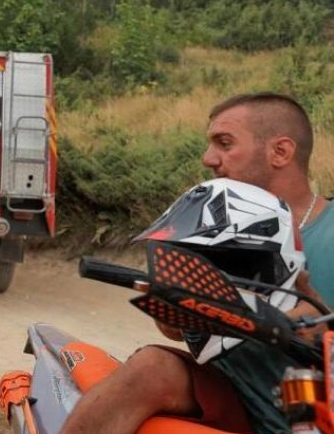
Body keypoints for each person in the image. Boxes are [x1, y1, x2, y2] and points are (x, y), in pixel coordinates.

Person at [62, 92, 334, 434]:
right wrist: (178, 303)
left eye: (224, 143)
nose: (208, 159)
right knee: (151, 367)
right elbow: (175, 331)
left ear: (280, 152)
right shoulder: (214, 227)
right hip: (236, 397)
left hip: (317, 412)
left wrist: (325, 331)